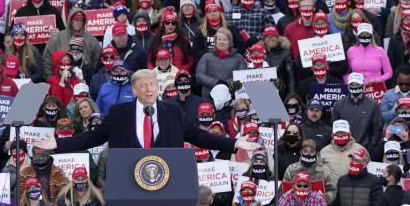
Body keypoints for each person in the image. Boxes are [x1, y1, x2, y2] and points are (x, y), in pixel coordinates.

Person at [44, 69, 259, 152]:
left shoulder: (172, 111)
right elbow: (92, 138)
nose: (149, 89)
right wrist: (57, 143)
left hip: (167, 183)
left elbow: (199, 136)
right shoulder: (119, 114)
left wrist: (234, 142)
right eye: (144, 85)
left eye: (153, 85)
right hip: (128, 185)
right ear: (135, 90)